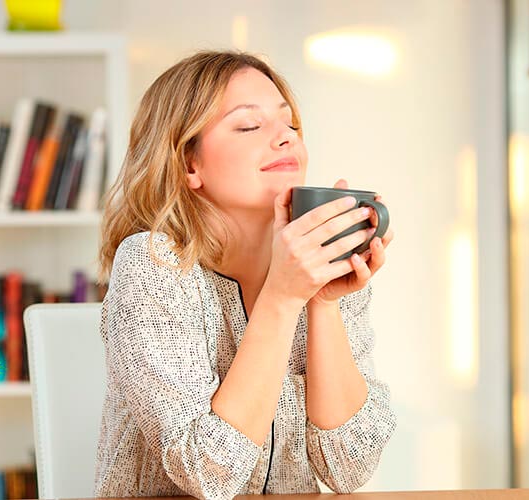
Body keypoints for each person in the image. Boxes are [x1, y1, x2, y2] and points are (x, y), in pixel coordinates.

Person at [94, 50, 396, 500]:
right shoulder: (152, 265)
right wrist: (282, 298)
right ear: (188, 164)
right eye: (250, 126)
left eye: (290, 124)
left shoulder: (320, 261)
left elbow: (349, 468)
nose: (285, 139)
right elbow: (208, 476)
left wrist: (322, 299)